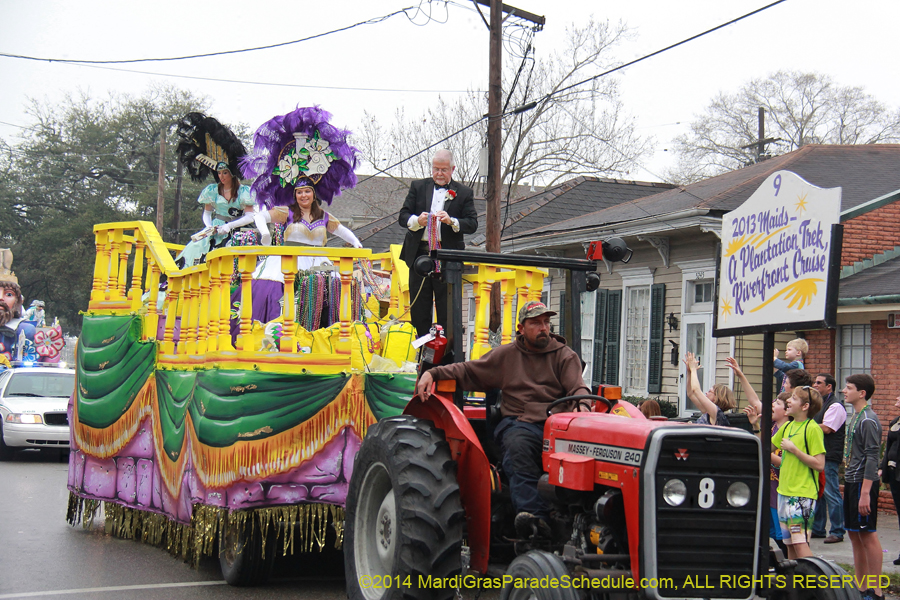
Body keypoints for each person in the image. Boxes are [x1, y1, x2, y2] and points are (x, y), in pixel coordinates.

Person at [415, 300, 589, 539]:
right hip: (520, 423)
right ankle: (534, 523)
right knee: (519, 447)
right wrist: (432, 373)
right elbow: (467, 370)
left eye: (546, 322)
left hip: (557, 426)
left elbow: (578, 388)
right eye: (536, 323)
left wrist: (584, 410)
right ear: (521, 328)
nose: (544, 328)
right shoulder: (506, 356)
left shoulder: (565, 356)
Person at [235, 106, 362, 335]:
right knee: (277, 297)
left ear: (314, 195)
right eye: (300, 193)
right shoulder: (286, 213)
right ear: (295, 195)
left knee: (328, 297)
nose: (304, 196)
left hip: (318, 266)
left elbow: (344, 232)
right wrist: (264, 232)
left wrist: (357, 245)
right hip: (286, 262)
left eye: (307, 192)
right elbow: (260, 216)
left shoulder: (324, 217)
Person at [399, 150, 478, 338]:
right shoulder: (418, 187)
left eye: (444, 170)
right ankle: (422, 352)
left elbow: (473, 224)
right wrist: (417, 221)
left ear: (452, 169)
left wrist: (452, 221)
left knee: (447, 309)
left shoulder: (464, 192)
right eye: (436, 169)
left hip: (448, 257)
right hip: (420, 254)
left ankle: (446, 356)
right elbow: (402, 217)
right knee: (419, 307)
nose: (439, 174)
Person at [173, 112, 255, 269]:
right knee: (194, 250)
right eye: (219, 173)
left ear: (231, 174)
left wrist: (229, 226)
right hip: (215, 230)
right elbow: (207, 212)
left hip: (237, 232)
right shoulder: (212, 191)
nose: (221, 177)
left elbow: (250, 216)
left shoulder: (244, 191)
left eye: (225, 173)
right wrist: (209, 226)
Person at [728, 356, 790, 556]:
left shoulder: (792, 430)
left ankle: (798, 574)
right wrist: (740, 374)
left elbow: (784, 462)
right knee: (773, 533)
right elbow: (754, 401)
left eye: (775, 404)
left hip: (785, 491)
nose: (771, 406)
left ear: (788, 410)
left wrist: (766, 454)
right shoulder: (772, 427)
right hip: (771, 489)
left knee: (786, 538)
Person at [842, 374, 884, 600]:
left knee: (867, 534)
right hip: (851, 480)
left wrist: (866, 493)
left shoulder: (868, 419)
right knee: (854, 534)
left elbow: (872, 456)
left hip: (862, 483)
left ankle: (875, 590)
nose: (844, 391)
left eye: (849, 388)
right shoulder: (856, 416)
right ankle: (860, 586)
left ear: (862, 393)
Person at [771, 385, 825, 560]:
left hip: (801, 495)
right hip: (784, 493)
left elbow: (819, 464)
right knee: (790, 546)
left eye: (793, 398)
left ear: (805, 406)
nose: (788, 400)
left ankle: (813, 584)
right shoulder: (787, 427)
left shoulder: (812, 428)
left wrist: (794, 450)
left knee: (800, 544)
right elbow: (766, 447)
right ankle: (795, 585)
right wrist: (756, 425)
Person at [810, 373, 846, 544]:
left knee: (831, 493)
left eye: (819, 383)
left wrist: (806, 426)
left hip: (829, 455)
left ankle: (838, 530)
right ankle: (818, 528)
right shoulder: (820, 404)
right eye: (814, 382)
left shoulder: (836, 406)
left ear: (829, 386)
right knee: (819, 493)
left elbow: (827, 428)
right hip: (818, 454)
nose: (815, 385)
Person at [684, 351, 734, 426]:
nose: (706, 393)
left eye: (710, 391)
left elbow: (696, 390)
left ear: (717, 397)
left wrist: (694, 370)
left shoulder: (716, 413)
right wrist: (689, 372)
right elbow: (690, 393)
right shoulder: (707, 411)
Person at [879, 393, 900, 566]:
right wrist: (882, 467)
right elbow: (888, 448)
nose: (897, 399)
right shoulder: (895, 422)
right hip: (895, 475)